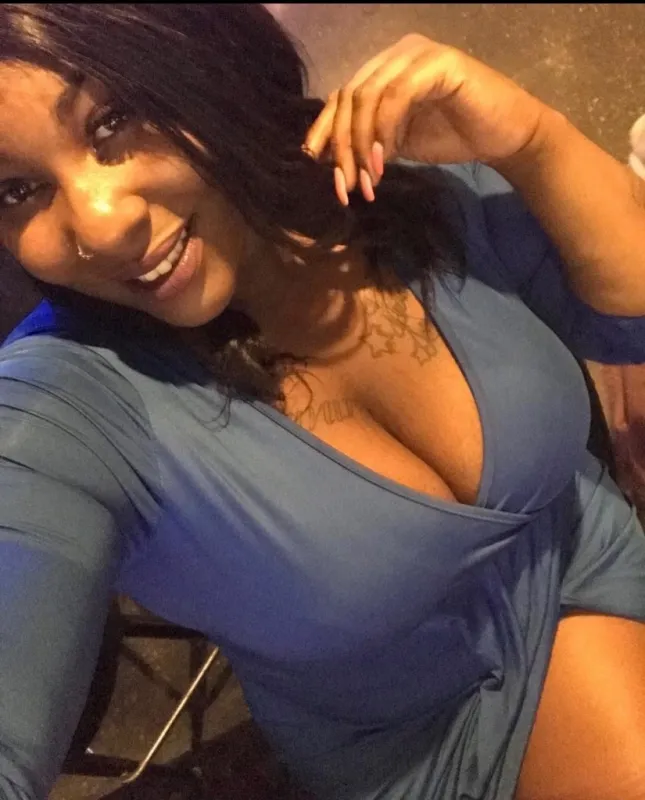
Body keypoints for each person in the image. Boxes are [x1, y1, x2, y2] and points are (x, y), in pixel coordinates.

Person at [1, 5, 645, 800]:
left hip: (586, 558)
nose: (102, 226)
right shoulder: (65, 403)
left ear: (200, 58)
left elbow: (630, 319)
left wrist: (532, 142)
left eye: (113, 120)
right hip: (411, 747)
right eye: (16, 190)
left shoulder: (383, 183)